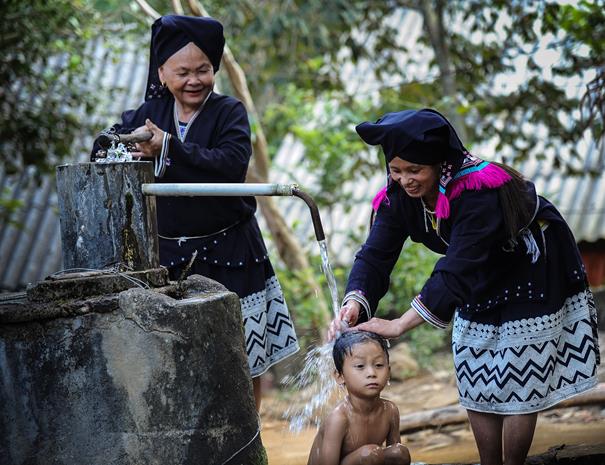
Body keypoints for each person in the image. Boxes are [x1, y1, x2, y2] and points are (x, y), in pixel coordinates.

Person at [329, 109, 600, 465]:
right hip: (477, 268)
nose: (405, 180)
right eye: (396, 170)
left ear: (438, 164)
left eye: (415, 170)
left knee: (518, 371)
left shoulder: (480, 189)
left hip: (530, 265)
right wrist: (355, 304)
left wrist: (399, 324)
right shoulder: (398, 197)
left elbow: (457, 266)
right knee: (475, 366)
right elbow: (375, 255)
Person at [92, 15, 299, 411]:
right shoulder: (144, 116)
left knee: (243, 356)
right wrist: (126, 145)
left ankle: (246, 439)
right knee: (174, 358)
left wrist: (167, 147)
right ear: (162, 73)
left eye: (203, 70)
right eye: (183, 71)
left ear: (215, 71)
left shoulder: (229, 112)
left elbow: (230, 163)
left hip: (232, 251)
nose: (194, 80)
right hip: (169, 261)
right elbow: (102, 149)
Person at [307, 331, 410, 465]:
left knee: (399, 453)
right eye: (360, 366)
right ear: (340, 376)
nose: (371, 373)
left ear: (389, 372)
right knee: (370, 454)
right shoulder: (339, 418)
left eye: (378, 365)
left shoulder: (390, 410)